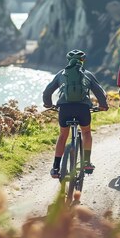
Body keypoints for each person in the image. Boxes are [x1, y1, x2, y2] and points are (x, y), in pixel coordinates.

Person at [43, 49, 109, 178]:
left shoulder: (61, 74)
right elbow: (100, 93)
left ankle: (56, 168)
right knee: (86, 132)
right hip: (82, 109)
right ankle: (86, 162)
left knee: (63, 136)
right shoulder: (88, 74)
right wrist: (103, 106)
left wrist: (48, 104)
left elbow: (47, 92)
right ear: (82, 61)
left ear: (68, 61)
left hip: (65, 109)